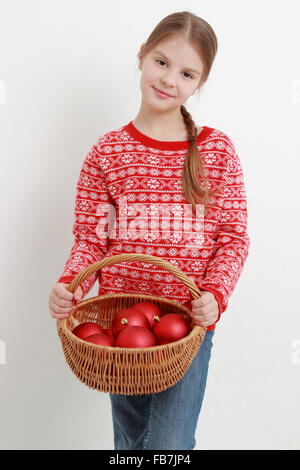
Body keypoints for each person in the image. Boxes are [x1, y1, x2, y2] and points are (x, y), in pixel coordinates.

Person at [48, 11, 250, 450]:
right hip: (120, 331)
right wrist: (70, 285)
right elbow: (89, 239)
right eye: (161, 62)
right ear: (142, 56)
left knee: (169, 445)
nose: (169, 79)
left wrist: (214, 295)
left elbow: (233, 238)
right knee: (131, 443)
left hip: (187, 328)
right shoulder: (107, 152)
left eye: (186, 73)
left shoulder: (215, 151)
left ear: (199, 82)